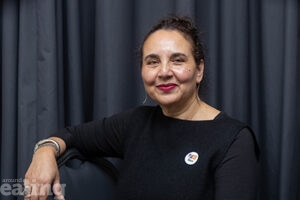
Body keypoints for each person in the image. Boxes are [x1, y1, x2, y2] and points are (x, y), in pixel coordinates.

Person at [24, 15, 259, 200]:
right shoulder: (135, 123)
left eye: (177, 60)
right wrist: (44, 152)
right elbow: (72, 135)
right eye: (153, 62)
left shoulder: (234, 139)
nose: (164, 72)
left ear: (199, 70)